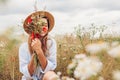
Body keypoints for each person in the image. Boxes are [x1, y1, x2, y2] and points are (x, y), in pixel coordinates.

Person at [19, 11, 58, 80]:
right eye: (40, 25)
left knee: (52, 76)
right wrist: (35, 52)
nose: (43, 28)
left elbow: (50, 69)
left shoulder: (51, 43)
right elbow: (29, 73)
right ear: (33, 27)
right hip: (29, 78)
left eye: (45, 25)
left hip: (45, 76)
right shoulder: (23, 47)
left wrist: (39, 51)